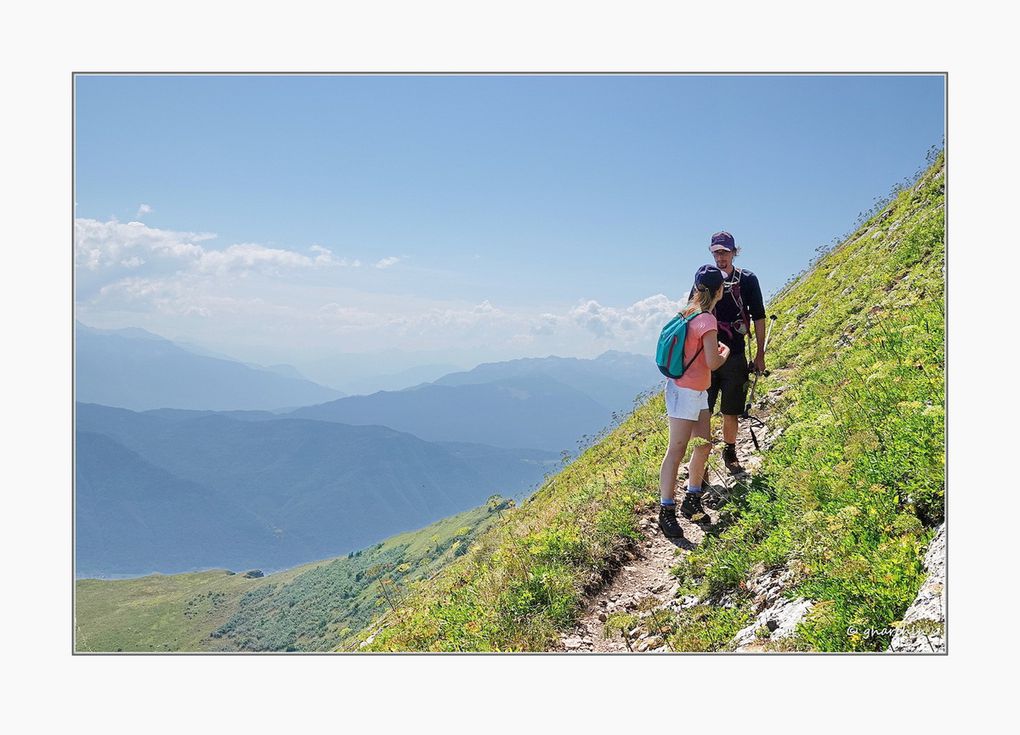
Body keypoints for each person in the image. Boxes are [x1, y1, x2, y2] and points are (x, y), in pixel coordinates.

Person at [658, 265, 730, 538]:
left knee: (703, 444)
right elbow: (713, 361)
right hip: (688, 392)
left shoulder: (687, 313)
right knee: (677, 449)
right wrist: (726, 350)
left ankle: (692, 499)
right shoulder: (708, 320)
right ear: (718, 290)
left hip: (691, 390)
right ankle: (666, 511)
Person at [690, 231, 767, 479]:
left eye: (724, 252)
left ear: (734, 252)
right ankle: (699, 465)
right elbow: (693, 314)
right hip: (706, 355)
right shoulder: (704, 279)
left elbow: (759, 316)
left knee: (731, 409)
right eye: (716, 253)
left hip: (734, 353)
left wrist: (760, 354)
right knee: (705, 410)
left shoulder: (747, 280)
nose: (720, 257)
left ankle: (730, 451)